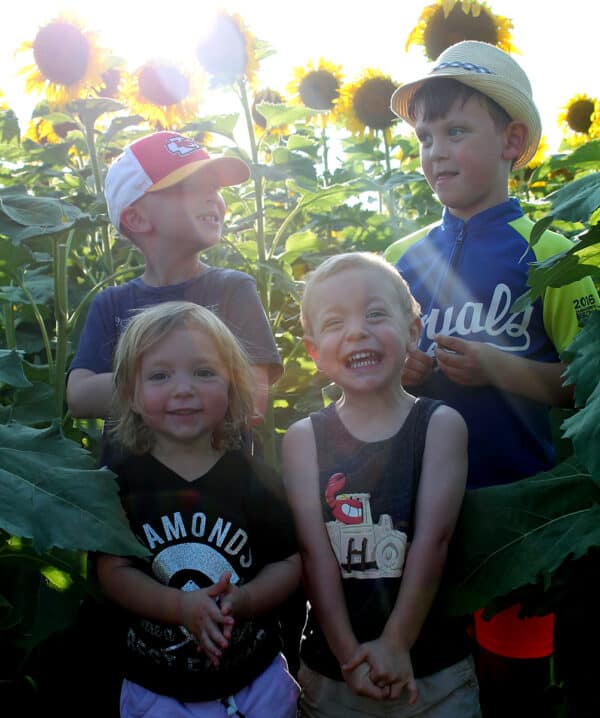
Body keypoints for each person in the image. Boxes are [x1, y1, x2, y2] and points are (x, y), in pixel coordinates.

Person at [388, 41, 599, 717]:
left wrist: (495, 369)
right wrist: (405, 372)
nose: (436, 152)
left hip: (522, 521)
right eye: (425, 137)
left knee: (515, 690)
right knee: (434, 683)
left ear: (512, 141)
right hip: (420, 522)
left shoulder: (554, 251)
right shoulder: (399, 261)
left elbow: (588, 385)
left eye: (456, 132)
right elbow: (367, 384)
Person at [282, 252, 480, 717]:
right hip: (333, 675)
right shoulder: (303, 439)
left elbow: (434, 541)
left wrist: (396, 643)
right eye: (335, 323)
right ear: (313, 352)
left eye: (375, 314)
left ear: (413, 330)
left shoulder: (440, 425)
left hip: (433, 672)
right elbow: (315, 556)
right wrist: (349, 654)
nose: (357, 331)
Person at [96, 300, 301, 718]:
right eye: (160, 375)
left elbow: (288, 563)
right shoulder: (117, 484)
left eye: (204, 372)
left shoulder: (255, 479)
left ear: (232, 386)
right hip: (158, 685)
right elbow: (112, 572)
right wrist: (178, 607)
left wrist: (245, 600)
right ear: (131, 396)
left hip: (253, 680)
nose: (183, 388)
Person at [67, 129, 282, 443]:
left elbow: (252, 402)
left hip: (224, 483)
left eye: (215, 188)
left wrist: (153, 384)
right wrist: (192, 380)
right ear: (137, 218)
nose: (214, 198)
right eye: (192, 187)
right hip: (131, 486)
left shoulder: (233, 289)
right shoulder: (111, 303)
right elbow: (79, 396)